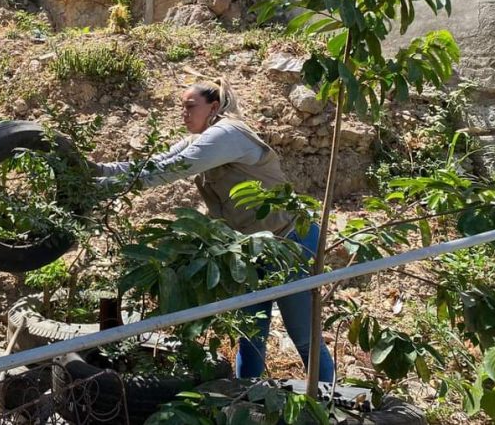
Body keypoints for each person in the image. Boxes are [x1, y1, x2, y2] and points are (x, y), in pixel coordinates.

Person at [94, 79, 335, 382]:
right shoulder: (203, 138)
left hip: (288, 242)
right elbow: (156, 163)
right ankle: (246, 401)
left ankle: (328, 403)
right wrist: (97, 172)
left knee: (303, 336)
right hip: (249, 250)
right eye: (182, 106)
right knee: (250, 338)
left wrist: (100, 189)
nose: (183, 113)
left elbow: (172, 170)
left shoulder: (227, 133)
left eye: (190, 106)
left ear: (215, 107)